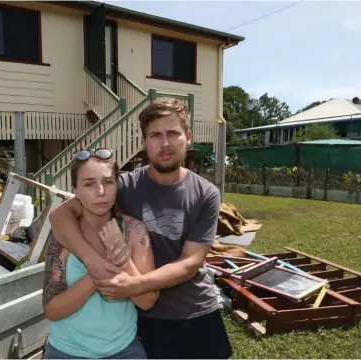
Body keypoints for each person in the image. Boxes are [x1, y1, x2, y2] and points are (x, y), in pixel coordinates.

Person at [50, 98, 233, 359]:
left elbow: (189, 263)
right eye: (155, 135)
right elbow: (60, 216)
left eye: (173, 133)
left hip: (197, 309)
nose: (165, 143)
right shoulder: (122, 186)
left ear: (188, 137)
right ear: (145, 142)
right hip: (149, 316)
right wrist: (92, 261)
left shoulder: (206, 194)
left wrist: (134, 285)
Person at [42, 149, 159, 359]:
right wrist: (97, 273)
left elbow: (147, 301)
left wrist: (123, 258)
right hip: (67, 350)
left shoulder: (135, 231)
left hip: (123, 349)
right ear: (75, 190)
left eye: (108, 182)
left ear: (117, 185)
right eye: (89, 184)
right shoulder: (65, 235)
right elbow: (52, 310)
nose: (101, 192)